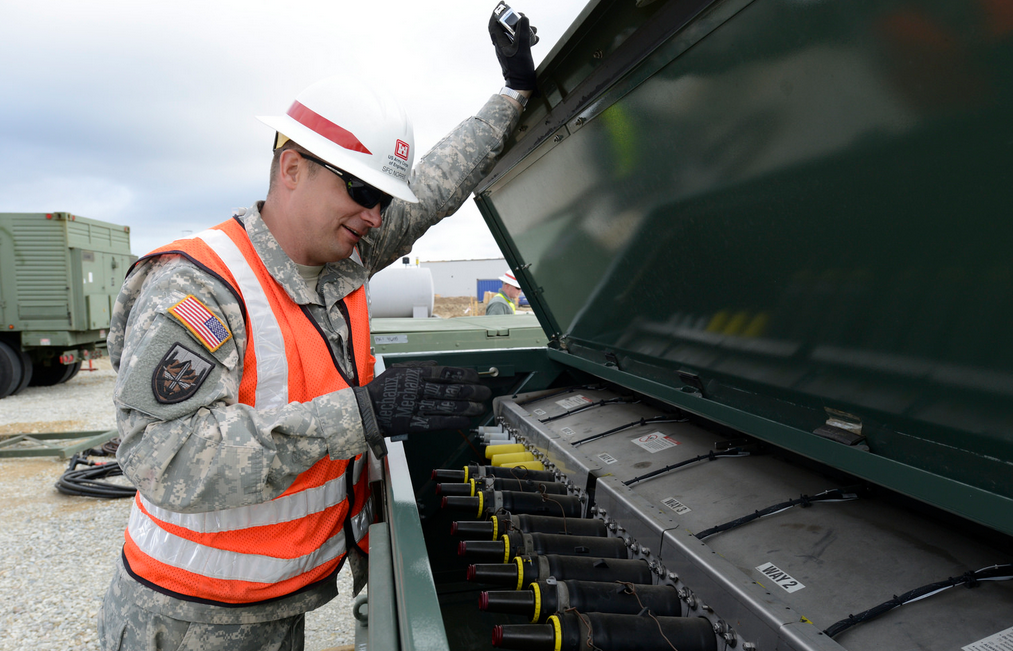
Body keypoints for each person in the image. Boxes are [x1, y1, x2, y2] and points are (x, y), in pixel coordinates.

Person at [97, 9, 538, 651]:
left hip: (277, 607)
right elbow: (161, 456)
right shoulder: (197, 287)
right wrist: (358, 414)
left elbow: (440, 184)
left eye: (384, 198)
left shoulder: (342, 260)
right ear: (292, 168)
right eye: (361, 188)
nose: (374, 212)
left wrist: (514, 94)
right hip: (189, 620)